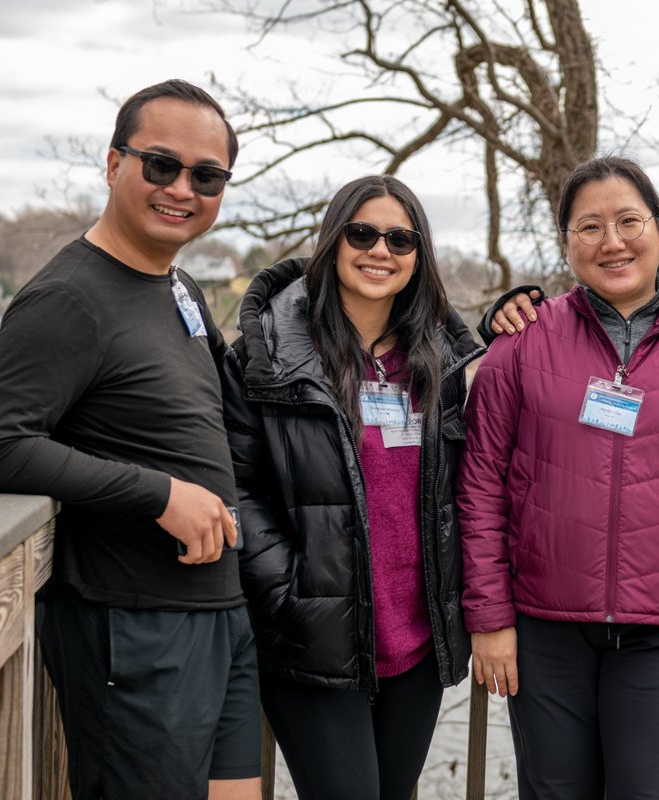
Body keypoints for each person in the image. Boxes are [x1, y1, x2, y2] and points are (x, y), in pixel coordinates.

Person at [0, 80, 259, 800]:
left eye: (206, 176)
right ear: (114, 163)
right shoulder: (68, 298)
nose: (182, 188)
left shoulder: (177, 286)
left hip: (219, 613)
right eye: (161, 165)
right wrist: (157, 493)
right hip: (136, 630)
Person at [458, 155, 659, 799]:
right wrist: (489, 618)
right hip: (543, 630)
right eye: (589, 227)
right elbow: (480, 485)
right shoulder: (520, 344)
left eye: (629, 220)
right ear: (566, 242)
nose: (613, 241)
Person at [220, 175, 481, 799]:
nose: (380, 251)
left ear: (419, 257)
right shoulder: (269, 357)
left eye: (400, 238)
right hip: (315, 637)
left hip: (414, 640)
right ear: (334, 241)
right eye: (362, 233)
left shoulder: (437, 363)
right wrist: (288, 590)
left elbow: (457, 488)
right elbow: (236, 484)